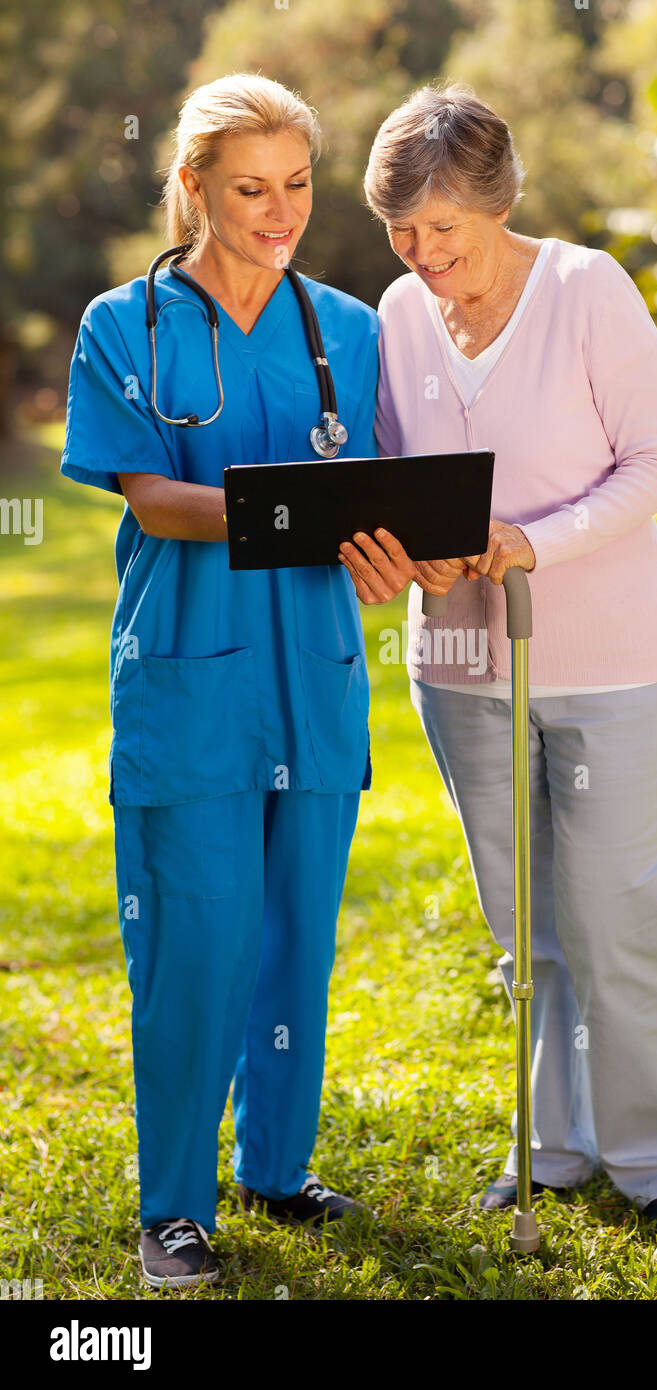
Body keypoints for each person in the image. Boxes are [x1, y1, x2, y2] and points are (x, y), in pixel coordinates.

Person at [339, 83, 657, 1236]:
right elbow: (394, 478)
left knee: (608, 914)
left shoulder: (584, 289)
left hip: (611, 660)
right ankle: (548, 1146)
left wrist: (528, 546)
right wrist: (395, 552)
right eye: (398, 231)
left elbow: (655, 462)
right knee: (524, 927)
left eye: (442, 229)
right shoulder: (398, 314)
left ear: (497, 205)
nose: (420, 254)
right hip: (458, 664)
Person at [60, 73, 380, 1288]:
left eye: (296, 185)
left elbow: (375, 496)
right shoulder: (123, 325)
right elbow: (151, 495)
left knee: (297, 932)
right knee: (196, 940)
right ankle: (174, 1208)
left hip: (316, 664)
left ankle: (277, 1167)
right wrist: (301, 508)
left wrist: (387, 544)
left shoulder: (343, 328)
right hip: (191, 676)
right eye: (250, 187)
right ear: (191, 185)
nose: (278, 210)